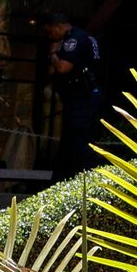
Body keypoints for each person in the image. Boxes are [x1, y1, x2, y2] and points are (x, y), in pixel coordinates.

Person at [40, 14, 102, 176]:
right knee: (78, 138)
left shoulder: (73, 39)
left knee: (77, 139)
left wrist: (53, 54)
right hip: (87, 94)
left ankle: (82, 174)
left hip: (81, 96)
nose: (50, 37)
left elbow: (62, 67)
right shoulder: (87, 36)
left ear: (57, 26)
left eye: (50, 32)